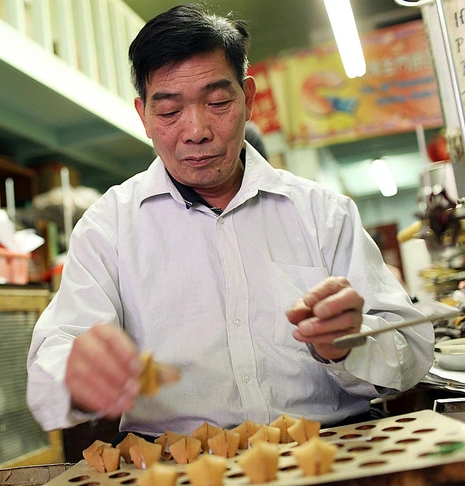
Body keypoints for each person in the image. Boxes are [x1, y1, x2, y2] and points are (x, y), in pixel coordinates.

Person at [26, 4, 434, 440]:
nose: (197, 129)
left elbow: (412, 352)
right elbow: (49, 370)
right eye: (168, 112)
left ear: (249, 99)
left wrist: (346, 346)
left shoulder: (323, 214)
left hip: (328, 451)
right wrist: (78, 376)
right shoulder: (108, 228)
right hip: (179, 465)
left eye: (218, 101)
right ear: (143, 116)